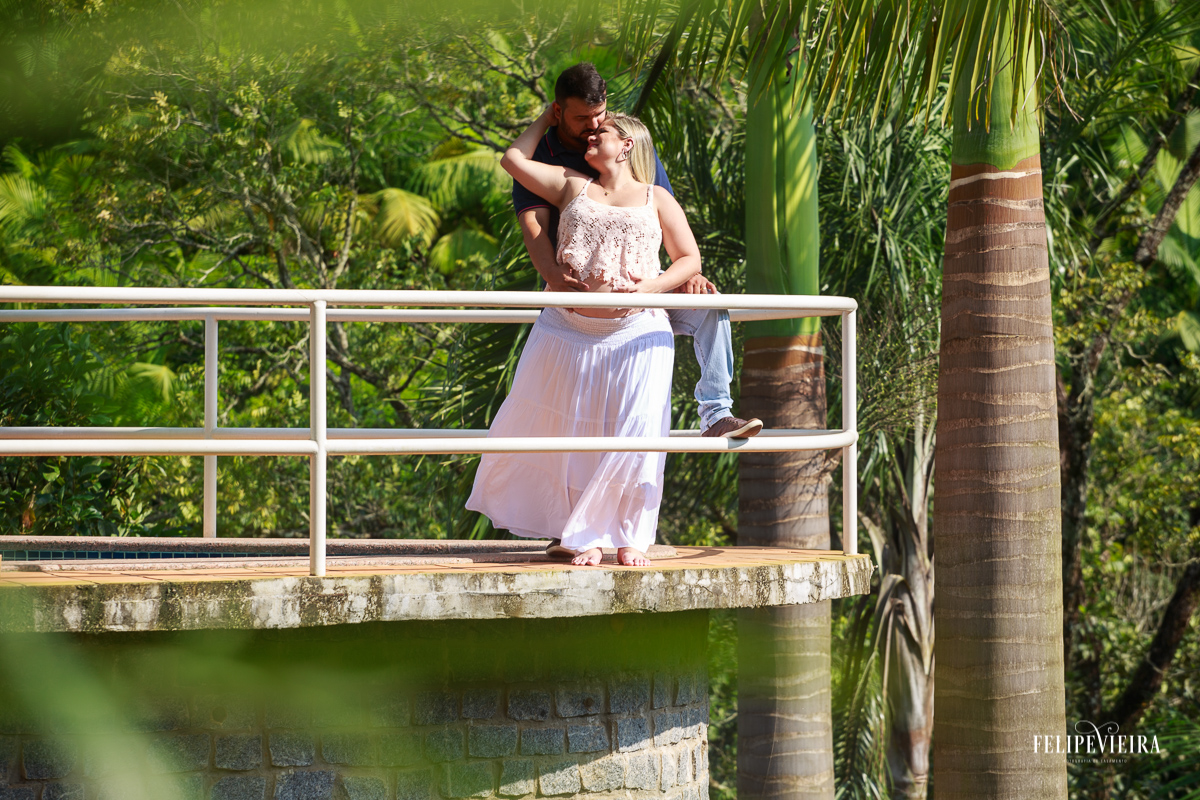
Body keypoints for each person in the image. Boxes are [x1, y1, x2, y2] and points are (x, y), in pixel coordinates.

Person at [465, 107, 699, 567]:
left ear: (627, 144)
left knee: (638, 430)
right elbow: (513, 161)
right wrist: (545, 118)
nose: (591, 135)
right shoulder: (572, 184)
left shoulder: (657, 197)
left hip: (636, 329)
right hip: (565, 330)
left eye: (603, 131)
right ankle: (580, 535)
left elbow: (688, 257)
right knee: (567, 434)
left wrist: (652, 286)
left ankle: (632, 536)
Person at [512, 63, 762, 440]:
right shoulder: (554, 165)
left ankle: (716, 414)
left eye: (601, 116)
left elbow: (666, 225)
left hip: (644, 295)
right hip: (579, 304)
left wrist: (676, 278)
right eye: (583, 119)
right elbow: (534, 225)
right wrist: (549, 271)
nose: (594, 127)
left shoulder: (632, 153)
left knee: (710, 306)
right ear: (559, 111)